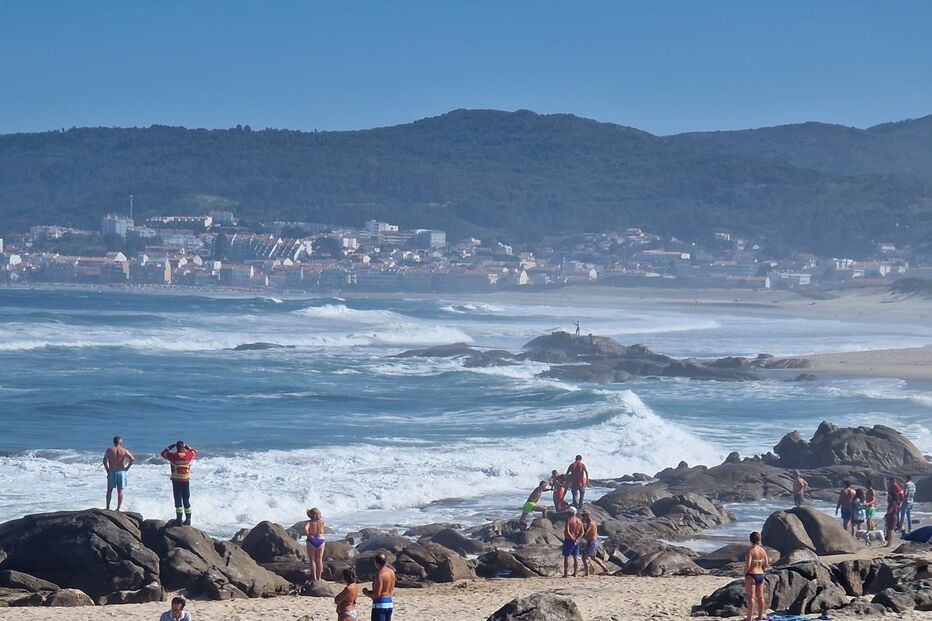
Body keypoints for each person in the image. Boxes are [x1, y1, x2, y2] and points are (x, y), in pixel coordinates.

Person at [161, 440, 197, 526]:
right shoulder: (188, 455)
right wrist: (187, 446)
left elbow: (163, 453)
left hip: (176, 481)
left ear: (176, 447)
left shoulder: (173, 456)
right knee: (186, 499)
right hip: (185, 480)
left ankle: (179, 520)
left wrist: (170, 447)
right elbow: (194, 451)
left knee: (178, 500)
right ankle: (188, 520)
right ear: (183, 447)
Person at [103, 435, 135, 511]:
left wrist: (108, 470)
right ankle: (118, 508)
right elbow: (132, 459)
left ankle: (107, 507)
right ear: (120, 442)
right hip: (121, 472)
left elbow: (104, 461)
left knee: (109, 490)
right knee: (120, 491)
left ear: (113, 442)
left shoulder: (109, 450)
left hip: (112, 471)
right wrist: (127, 468)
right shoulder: (124, 450)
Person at [363, 552, 396, 621]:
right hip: (389, 602)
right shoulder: (391, 572)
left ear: (376, 562)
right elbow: (391, 589)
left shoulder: (380, 574)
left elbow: (377, 594)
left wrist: (367, 593)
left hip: (380, 605)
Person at [744, 531, 769, 621]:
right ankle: (760, 616)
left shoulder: (750, 551)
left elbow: (748, 565)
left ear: (750, 540)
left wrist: (745, 573)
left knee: (751, 598)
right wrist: (761, 569)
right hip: (760, 575)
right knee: (760, 597)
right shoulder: (762, 551)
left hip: (751, 575)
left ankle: (749, 618)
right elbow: (766, 564)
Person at [579, 511, 609, 576]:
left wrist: (579, 536)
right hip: (595, 541)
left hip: (591, 542)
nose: (582, 517)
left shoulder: (590, 523)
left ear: (586, 516)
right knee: (593, 557)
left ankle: (587, 573)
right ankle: (604, 568)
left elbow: (586, 532)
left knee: (584, 558)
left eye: (583, 516)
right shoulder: (593, 521)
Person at [562, 506, 584, 578]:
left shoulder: (569, 520)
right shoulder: (579, 521)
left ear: (569, 513)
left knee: (566, 557)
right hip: (576, 541)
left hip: (569, 540)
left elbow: (567, 532)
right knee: (575, 557)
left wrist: (572, 539)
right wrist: (577, 539)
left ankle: (565, 573)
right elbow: (582, 532)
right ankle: (576, 573)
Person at [305, 507, 326, 582]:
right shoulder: (321, 522)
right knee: (319, 560)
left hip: (312, 540)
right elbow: (323, 531)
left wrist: (308, 534)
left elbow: (306, 528)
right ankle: (319, 577)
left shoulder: (309, 522)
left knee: (312, 560)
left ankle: (314, 578)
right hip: (320, 540)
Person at [884, 478, 904, 548]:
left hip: (892, 516)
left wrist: (887, 515)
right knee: (891, 529)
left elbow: (890, 511)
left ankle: (889, 543)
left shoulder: (893, 503)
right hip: (894, 515)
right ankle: (889, 542)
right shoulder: (896, 502)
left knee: (890, 530)